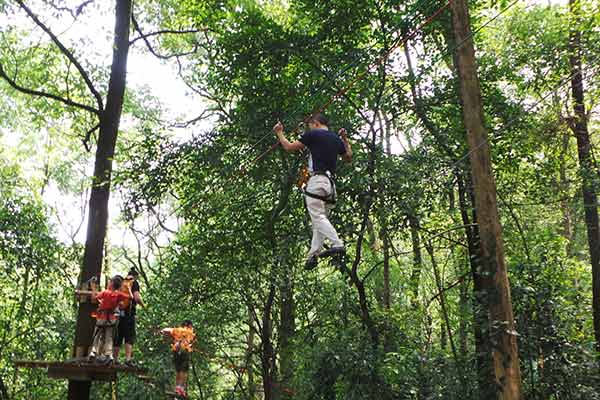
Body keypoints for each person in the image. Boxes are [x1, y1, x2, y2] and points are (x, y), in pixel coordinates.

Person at [273, 113, 352, 269]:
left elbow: (289, 147)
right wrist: (344, 139)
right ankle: (313, 255)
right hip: (330, 186)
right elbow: (348, 157)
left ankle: (337, 243)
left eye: (309, 125)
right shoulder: (336, 139)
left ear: (315, 124)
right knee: (320, 221)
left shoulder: (313, 134)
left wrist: (279, 132)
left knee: (318, 218)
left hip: (317, 182)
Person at [86, 275, 132, 365]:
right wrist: (128, 288)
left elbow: (94, 298)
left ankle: (93, 352)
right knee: (109, 337)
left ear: (111, 284)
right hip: (111, 319)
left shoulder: (105, 293)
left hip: (101, 318)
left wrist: (93, 288)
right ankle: (109, 355)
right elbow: (131, 298)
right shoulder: (119, 294)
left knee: (97, 336)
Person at [113, 268, 145, 366]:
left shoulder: (121, 282)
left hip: (119, 313)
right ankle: (127, 359)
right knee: (129, 336)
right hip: (129, 314)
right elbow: (137, 297)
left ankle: (115, 359)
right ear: (136, 276)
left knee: (118, 336)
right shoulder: (134, 283)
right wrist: (144, 306)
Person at [162, 320, 196, 398]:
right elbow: (191, 340)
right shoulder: (189, 331)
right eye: (191, 325)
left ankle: (177, 388)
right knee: (183, 371)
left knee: (178, 370)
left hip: (176, 351)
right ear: (188, 325)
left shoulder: (177, 330)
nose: (192, 327)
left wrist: (162, 331)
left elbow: (166, 330)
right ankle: (181, 388)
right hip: (184, 351)